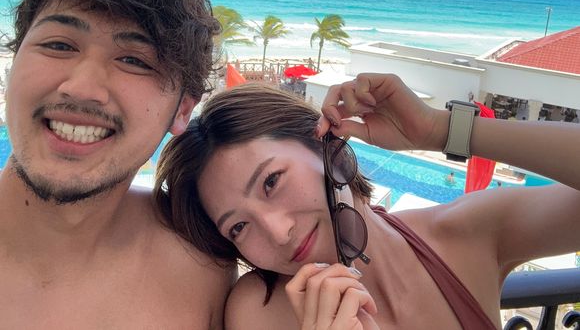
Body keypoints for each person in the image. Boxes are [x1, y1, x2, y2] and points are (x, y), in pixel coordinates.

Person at [155, 75, 580, 329]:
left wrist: (439, 130)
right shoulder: (262, 312)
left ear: (326, 144)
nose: (278, 232)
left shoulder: (469, 234)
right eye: (238, 227)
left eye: (271, 182)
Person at [0, 0, 234, 328]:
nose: (81, 88)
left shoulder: (203, 265)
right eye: (59, 45)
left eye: (134, 60)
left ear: (183, 110)